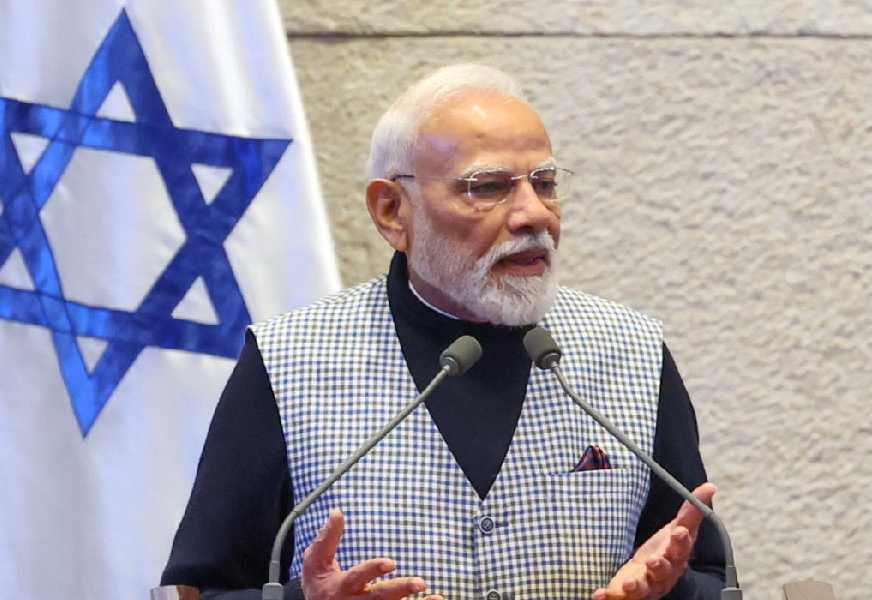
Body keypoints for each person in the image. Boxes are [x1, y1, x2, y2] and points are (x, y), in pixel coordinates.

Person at [161, 64, 726, 600]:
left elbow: (708, 575)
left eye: (545, 183)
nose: (534, 214)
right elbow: (200, 588)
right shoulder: (288, 361)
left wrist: (667, 589)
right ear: (391, 211)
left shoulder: (631, 352)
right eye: (488, 187)